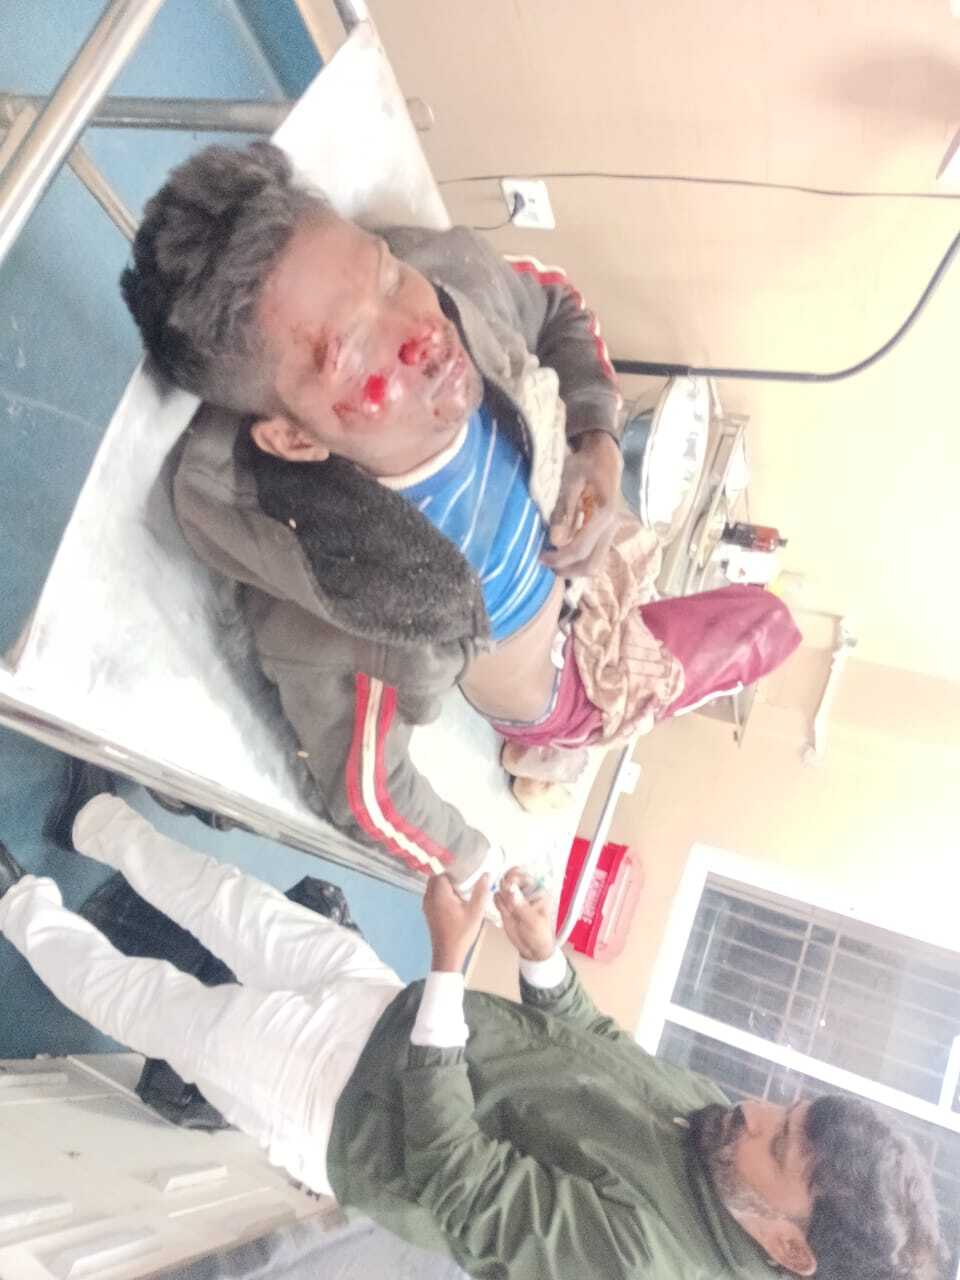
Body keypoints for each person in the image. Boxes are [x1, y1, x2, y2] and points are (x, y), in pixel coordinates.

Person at [120, 142, 800, 888]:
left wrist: (598, 439)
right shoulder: (362, 605)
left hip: (595, 559)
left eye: (385, 275)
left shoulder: (452, 291)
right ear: (294, 440)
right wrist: (476, 866)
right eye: (353, 353)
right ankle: (553, 749)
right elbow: (370, 795)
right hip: (567, 686)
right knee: (763, 627)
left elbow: (558, 309)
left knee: (720, 614)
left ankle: (553, 758)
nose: (422, 336)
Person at [0, 799, 943, 1280]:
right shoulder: (724, 1138)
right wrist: (544, 959)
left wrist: (452, 965)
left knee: (154, 1004)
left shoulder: (644, 1264)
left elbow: (458, 1175)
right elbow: (599, 1046)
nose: (755, 1110)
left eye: (779, 1143)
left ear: (790, 1250)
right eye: (787, 1107)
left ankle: (18, 904)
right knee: (230, 901)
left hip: (340, 1103)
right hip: (395, 1012)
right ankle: (97, 822)